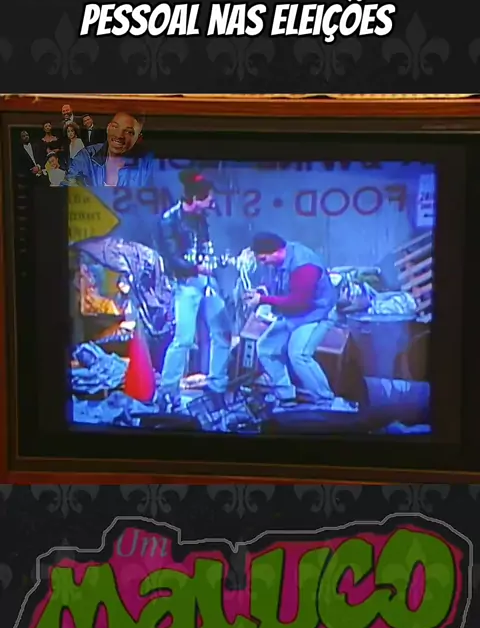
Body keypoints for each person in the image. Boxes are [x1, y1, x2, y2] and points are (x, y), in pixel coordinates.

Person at [157, 169, 232, 411]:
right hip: (186, 284)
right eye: (209, 199)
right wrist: (197, 268)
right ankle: (168, 391)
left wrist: (213, 264)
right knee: (184, 339)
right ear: (196, 199)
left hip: (206, 281)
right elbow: (172, 259)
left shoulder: (200, 218)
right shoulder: (169, 221)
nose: (212, 203)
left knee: (222, 332)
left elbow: (204, 246)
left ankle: (217, 385)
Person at [244, 232, 337, 409]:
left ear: (276, 251)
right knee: (266, 348)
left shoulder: (304, 266)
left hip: (316, 314)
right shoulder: (279, 260)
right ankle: (286, 395)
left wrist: (263, 300)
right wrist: (262, 293)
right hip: (293, 314)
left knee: (299, 354)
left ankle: (327, 401)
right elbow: (282, 289)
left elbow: (299, 302)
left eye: (263, 259)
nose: (263, 263)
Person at [61, 110, 158, 187]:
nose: (119, 135)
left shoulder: (148, 163)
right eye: (115, 127)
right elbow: (65, 193)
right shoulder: (86, 157)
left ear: (138, 138)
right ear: (108, 128)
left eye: (128, 132)